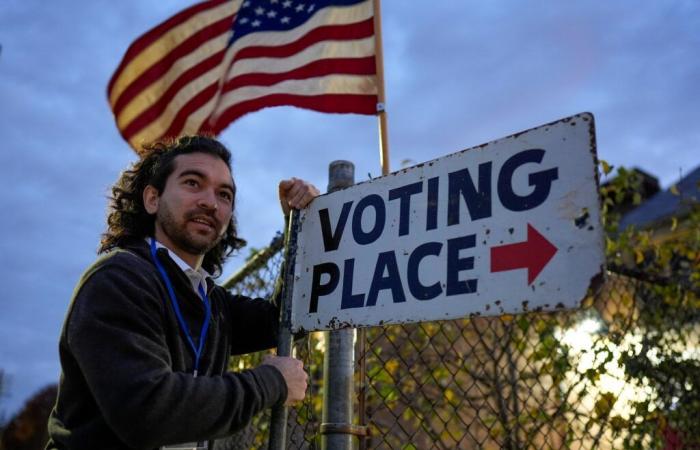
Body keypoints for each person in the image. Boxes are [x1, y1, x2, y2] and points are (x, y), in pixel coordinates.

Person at [46, 136, 319, 449]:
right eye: (192, 183)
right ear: (152, 199)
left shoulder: (209, 299)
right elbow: (147, 411)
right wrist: (271, 383)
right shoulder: (118, 280)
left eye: (224, 194)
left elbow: (284, 317)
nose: (210, 202)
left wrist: (300, 224)